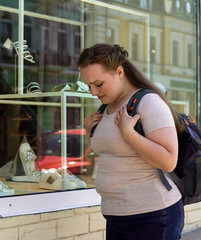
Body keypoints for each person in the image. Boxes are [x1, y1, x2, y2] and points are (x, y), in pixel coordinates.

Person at [78, 43, 185, 240]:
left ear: (120, 72)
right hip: (116, 216)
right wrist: (90, 133)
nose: (93, 92)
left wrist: (129, 132)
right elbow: (112, 155)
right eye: (88, 86)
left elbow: (169, 160)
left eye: (98, 84)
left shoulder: (148, 103)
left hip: (151, 215)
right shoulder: (106, 107)